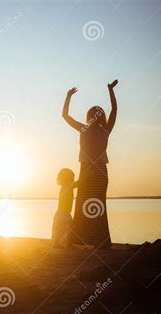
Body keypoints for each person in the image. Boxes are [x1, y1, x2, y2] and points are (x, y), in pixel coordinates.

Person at [62, 80, 119, 249]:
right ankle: (99, 240)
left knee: (84, 205)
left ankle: (80, 239)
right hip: (99, 172)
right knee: (97, 206)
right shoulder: (104, 130)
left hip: (89, 170)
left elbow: (65, 116)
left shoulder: (84, 129)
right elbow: (115, 110)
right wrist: (110, 91)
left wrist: (68, 97)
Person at [51, 168, 77, 248]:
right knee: (63, 231)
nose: (73, 179)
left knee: (60, 232)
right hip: (63, 214)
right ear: (66, 179)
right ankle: (60, 244)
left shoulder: (66, 186)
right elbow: (78, 183)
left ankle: (58, 243)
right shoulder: (67, 186)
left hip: (61, 214)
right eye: (72, 178)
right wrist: (85, 177)